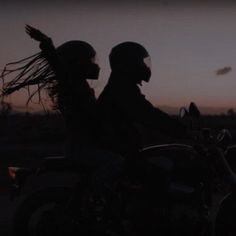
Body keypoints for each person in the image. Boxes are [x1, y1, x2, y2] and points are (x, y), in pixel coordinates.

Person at [1, 25, 100, 159]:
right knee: (115, 163)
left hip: (86, 144)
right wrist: (46, 42)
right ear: (76, 62)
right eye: (89, 60)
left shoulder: (79, 84)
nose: (94, 65)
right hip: (83, 147)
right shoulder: (72, 83)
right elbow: (59, 67)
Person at [97, 41, 188, 156]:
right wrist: (183, 131)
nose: (146, 66)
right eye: (143, 62)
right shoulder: (121, 89)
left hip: (119, 150)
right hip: (117, 153)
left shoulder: (122, 85)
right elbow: (148, 115)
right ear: (131, 63)